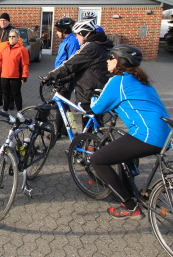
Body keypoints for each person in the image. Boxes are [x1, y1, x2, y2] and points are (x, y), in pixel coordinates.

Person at [89, 45, 171, 220]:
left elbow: (97, 107)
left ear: (119, 61)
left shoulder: (118, 80)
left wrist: (93, 97)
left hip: (147, 134)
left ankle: (129, 206)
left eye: (111, 57)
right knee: (121, 153)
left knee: (97, 160)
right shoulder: (141, 80)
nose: (107, 60)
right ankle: (134, 193)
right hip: (165, 134)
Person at [42, 19, 113, 129]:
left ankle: (64, 131)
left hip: (89, 92)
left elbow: (71, 64)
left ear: (85, 35)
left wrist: (50, 76)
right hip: (91, 89)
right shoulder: (98, 45)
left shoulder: (90, 47)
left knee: (87, 124)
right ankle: (76, 135)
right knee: (93, 126)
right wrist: (63, 79)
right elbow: (81, 68)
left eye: (78, 35)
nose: (76, 38)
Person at [0, 13, 22, 107]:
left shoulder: (14, 32)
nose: (2, 22)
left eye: (5, 20)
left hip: (10, 63)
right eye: (1, 20)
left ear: (8, 21)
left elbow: (19, 47)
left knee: (9, 83)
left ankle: (11, 102)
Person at [53, 17, 80, 138]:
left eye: (58, 30)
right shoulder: (66, 41)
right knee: (65, 104)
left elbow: (72, 62)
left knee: (60, 105)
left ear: (64, 31)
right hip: (60, 76)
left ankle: (57, 132)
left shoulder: (72, 42)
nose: (57, 32)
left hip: (66, 78)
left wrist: (64, 77)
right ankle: (68, 129)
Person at [0, 28, 29, 119]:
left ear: (18, 38)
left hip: (15, 76)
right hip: (4, 75)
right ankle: (5, 110)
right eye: (10, 37)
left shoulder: (22, 49)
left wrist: (24, 76)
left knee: (16, 94)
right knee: (5, 93)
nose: (11, 38)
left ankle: (20, 112)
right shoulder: (4, 48)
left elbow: (25, 64)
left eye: (13, 37)